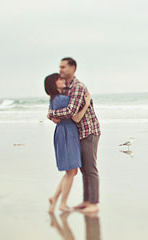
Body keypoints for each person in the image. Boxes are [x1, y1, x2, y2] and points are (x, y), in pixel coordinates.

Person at [48, 57, 102, 214]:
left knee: (90, 168)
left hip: (88, 131)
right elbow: (54, 102)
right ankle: (86, 200)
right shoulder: (65, 88)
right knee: (83, 168)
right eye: (60, 67)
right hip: (75, 133)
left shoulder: (77, 87)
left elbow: (70, 112)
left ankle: (94, 202)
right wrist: (51, 113)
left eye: (64, 67)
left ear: (73, 68)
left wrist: (52, 113)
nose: (61, 70)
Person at [43, 72, 92, 212]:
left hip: (64, 132)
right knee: (71, 171)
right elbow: (74, 115)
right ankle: (62, 203)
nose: (62, 80)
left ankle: (54, 198)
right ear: (54, 84)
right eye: (58, 79)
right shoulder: (62, 99)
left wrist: (51, 115)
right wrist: (87, 103)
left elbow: (53, 113)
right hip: (67, 133)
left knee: (71, 171)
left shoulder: (54, 99)